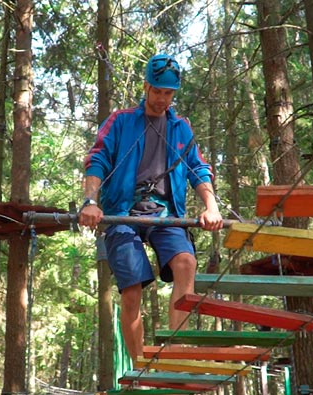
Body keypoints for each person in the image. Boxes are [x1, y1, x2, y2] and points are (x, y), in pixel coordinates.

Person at [79, 53, 223, 363]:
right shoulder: (121, 121)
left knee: (185, 263)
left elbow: (198, 169)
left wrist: (211, 206)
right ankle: (139, 368)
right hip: (122, 213)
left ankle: (177, 357)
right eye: (157, 90)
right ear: (146, 86)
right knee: (132, 290)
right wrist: (90, 202)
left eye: (169, 93)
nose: (162, 99)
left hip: (165, 213)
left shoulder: (181, 128)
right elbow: (97, 160)